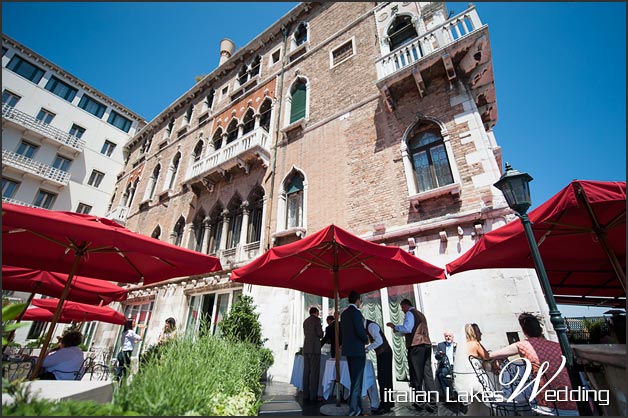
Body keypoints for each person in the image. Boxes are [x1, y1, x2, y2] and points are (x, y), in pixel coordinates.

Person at [489, 313, 579, 415]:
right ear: (540, 330)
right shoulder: (558, 346)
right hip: (578, 400)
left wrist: (493, 359)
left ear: (524, 331)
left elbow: (490, 355)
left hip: (550, 405)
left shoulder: (523, 345)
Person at [386, 299, 437, 413]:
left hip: (416, 346)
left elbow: (407, 328)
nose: (402, 311)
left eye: (402, 308)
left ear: (405, 305)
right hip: (426, 344)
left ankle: (419, 402)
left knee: (416, 375)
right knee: (427, 374)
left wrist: (395, 326)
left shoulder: (410, 313)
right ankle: (432, 403)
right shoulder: (421, 314)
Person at [452, 324, 492, 415]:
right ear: (473, 333)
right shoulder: (475, 343)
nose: (481, 333)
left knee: (475, 405)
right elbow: (487, 357)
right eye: (478, 331)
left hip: (465, 382)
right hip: (477, 380)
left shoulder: (462, 346)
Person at [340, 291, 369, 416]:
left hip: (349, 351)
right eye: (360, 301)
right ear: (357, 300)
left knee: (353, 380)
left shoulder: (344, 314)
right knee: (357, 381)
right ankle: (354, 409)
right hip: (357, 351)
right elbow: (359, 330)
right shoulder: (356, 313)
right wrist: (366, 339)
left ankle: (357, 407)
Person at [364, 316, 394, 415]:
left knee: (383, 379)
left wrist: (367, 348)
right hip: (383, 353)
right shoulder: (368, 327)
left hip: (384, 352)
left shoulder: (371, 326)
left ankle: (385, 405)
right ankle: (389, 403)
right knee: (385, 379)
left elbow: (379, 341)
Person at [302, 306, 324, 403]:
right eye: (318, 313)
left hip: (306, 348)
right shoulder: (316, 320)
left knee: (306, 372)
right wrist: (322, 332)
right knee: (314, 373)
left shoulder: (305, 321)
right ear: (316, 312)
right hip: (314, 349)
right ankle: (313, 396)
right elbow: (320, 334)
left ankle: (306, 395)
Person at [434, 330, 456, 397]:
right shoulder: (441, 345)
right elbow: (437, 357)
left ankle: (454, 392)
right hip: (445, 366)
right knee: (441, 374)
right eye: (446, 336)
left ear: (453, 337)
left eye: (450, 336)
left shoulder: (456, 345)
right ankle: (448, 394)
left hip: (455, 366)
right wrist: (439, 355)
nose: (448, 338)